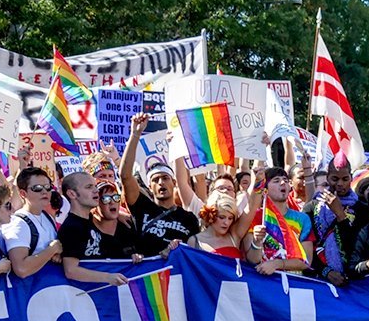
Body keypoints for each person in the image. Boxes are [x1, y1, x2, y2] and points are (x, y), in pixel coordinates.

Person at [121, 113, 201, 256]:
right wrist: (135, 134)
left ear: (174, 182)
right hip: (147, 275)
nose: (161, 183)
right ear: (149, 187)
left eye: (165, 178)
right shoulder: (142, 207)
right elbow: (125, 176)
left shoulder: (189, 219)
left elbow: (195, 254)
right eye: (155, 180)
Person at [57, 172, 131, 285]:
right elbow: (71, 271)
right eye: (89, 187)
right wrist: (108, 277)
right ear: (72, 194)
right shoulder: (72, 227)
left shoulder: (89, 220)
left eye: (95, 186)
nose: (96, 190)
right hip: (84, 294)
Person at [243, 166, 314, 275]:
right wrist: (257, 241)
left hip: (293, 285)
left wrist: (277, 264)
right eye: (276, 181)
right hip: (261, 283)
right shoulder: (255, 217)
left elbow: (306, 261)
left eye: (285, 180)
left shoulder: (302, 219)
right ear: (265, 190)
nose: (283, 183)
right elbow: (252, 260)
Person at [2, 167, 63, 278]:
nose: (45, 192)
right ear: (23, 193)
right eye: (37, 188)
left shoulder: (48, 217)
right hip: (30, 292)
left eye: (48, 187)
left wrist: (58, 254)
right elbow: (21, 269)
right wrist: (51, 250)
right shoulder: (18, 223)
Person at [188, 192, 243, 258]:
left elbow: (251, 205)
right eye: (222, 217)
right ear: (210, 216)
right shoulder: (194, 241)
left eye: (230, 218)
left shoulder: (233, 236)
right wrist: (173, 245)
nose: (226, 223)